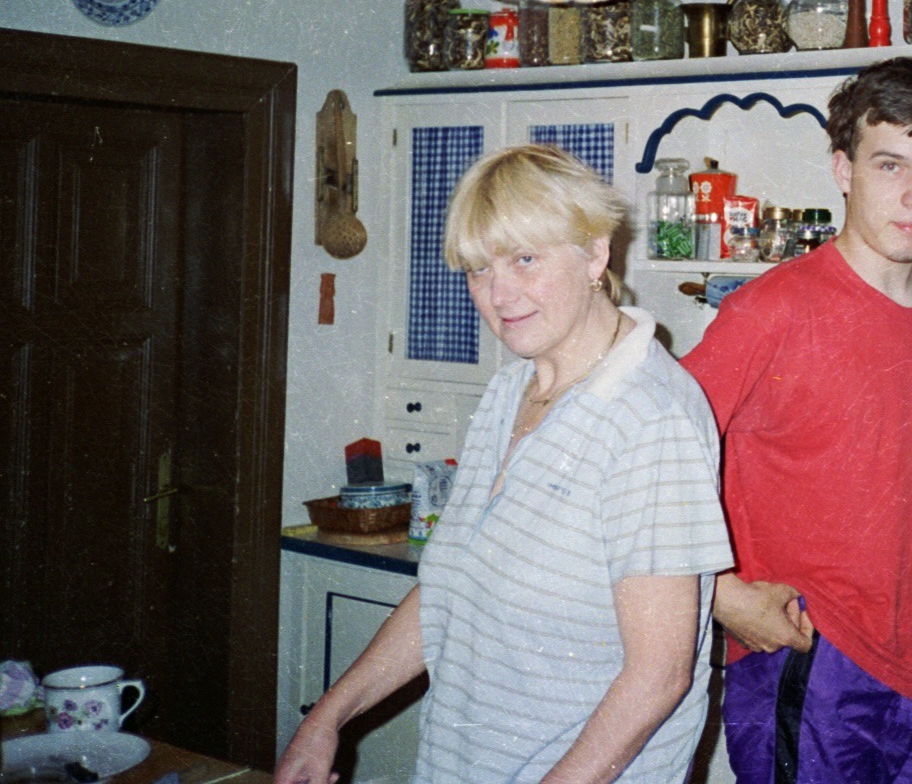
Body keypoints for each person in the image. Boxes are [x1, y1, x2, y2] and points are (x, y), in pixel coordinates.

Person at [275, 145, 733, 784]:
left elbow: (657, 678)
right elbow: (449, 588)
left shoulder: (651, 418)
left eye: (525, 259)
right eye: (477, 269)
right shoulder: (510, 391)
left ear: (596, 253)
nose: (499, 294)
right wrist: (328, 718)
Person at [681, 56, 912, 783]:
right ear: (842, 167)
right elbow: (642, 463)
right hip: (812, 662)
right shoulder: (770, 311)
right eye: (891, 165)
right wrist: (724, 597)